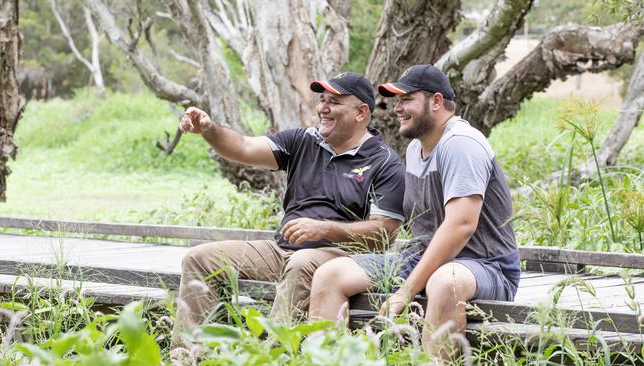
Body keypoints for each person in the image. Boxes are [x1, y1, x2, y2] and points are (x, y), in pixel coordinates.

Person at [309, 65, 520, 356]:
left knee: (446, 282)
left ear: (436, 102)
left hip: (486, 265)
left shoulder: (460, 144)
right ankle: (324, 360)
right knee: (330, 275)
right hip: (422, 257)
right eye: (396, 101)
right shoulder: (415, 150)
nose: (397, 108)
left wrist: (405, 292)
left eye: (406, 99)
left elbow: (461, 226)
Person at [175, 72, 405, 331]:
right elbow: (243, 147)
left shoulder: (385, 162)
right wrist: (209, 129)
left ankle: (273, 355)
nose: (323, 108)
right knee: (200, 258)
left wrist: (325, 229)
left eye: (335, 102)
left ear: (361, 112)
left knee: (301, 263)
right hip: (281, 250)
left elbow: (384, 233)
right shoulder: (302, 141)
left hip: (342, 257)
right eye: (322, 99)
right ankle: (189, 355)